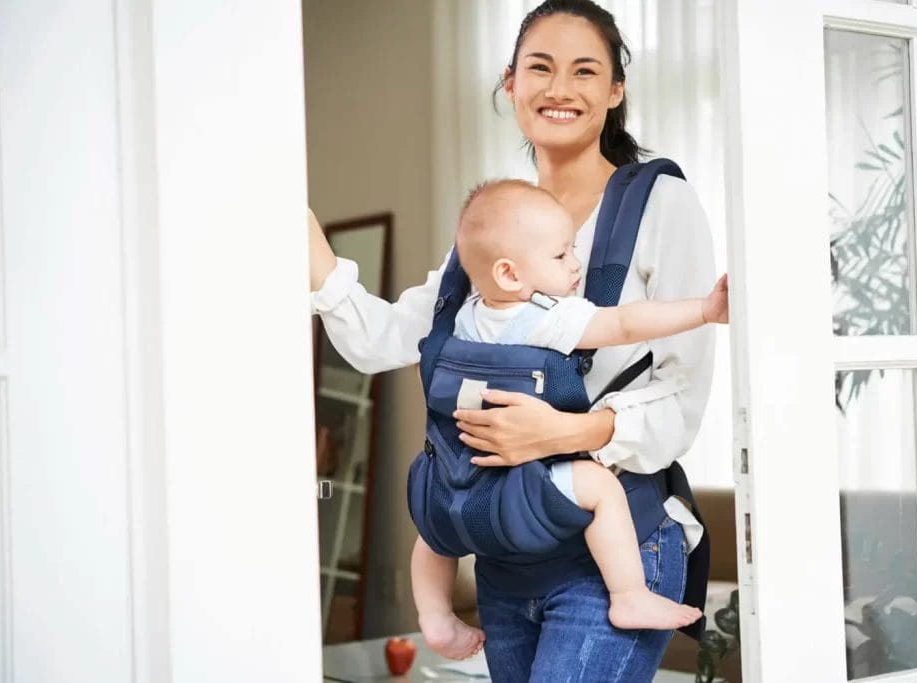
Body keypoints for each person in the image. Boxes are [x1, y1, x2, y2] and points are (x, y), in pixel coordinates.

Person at [309, 1, 718, 679]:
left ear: (616, 89)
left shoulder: (661, 205)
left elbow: (682, 397)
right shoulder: (497, 226)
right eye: (540, 67)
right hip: (507, 552)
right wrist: (312, 250)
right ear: (511, 82)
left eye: (585, 70)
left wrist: (563, 432)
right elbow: (382, 340)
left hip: (617, 545)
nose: (560, 88)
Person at [407, 179, 727, 659]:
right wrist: (704, 310)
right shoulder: (546, 318)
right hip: (525, 483)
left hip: (460, 478)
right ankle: (628, 594)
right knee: (601, 489)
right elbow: (625, 322)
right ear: (510, 274)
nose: (575, 264)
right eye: (561, 256)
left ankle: (434, 615)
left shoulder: (460, 320)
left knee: (433, 529)